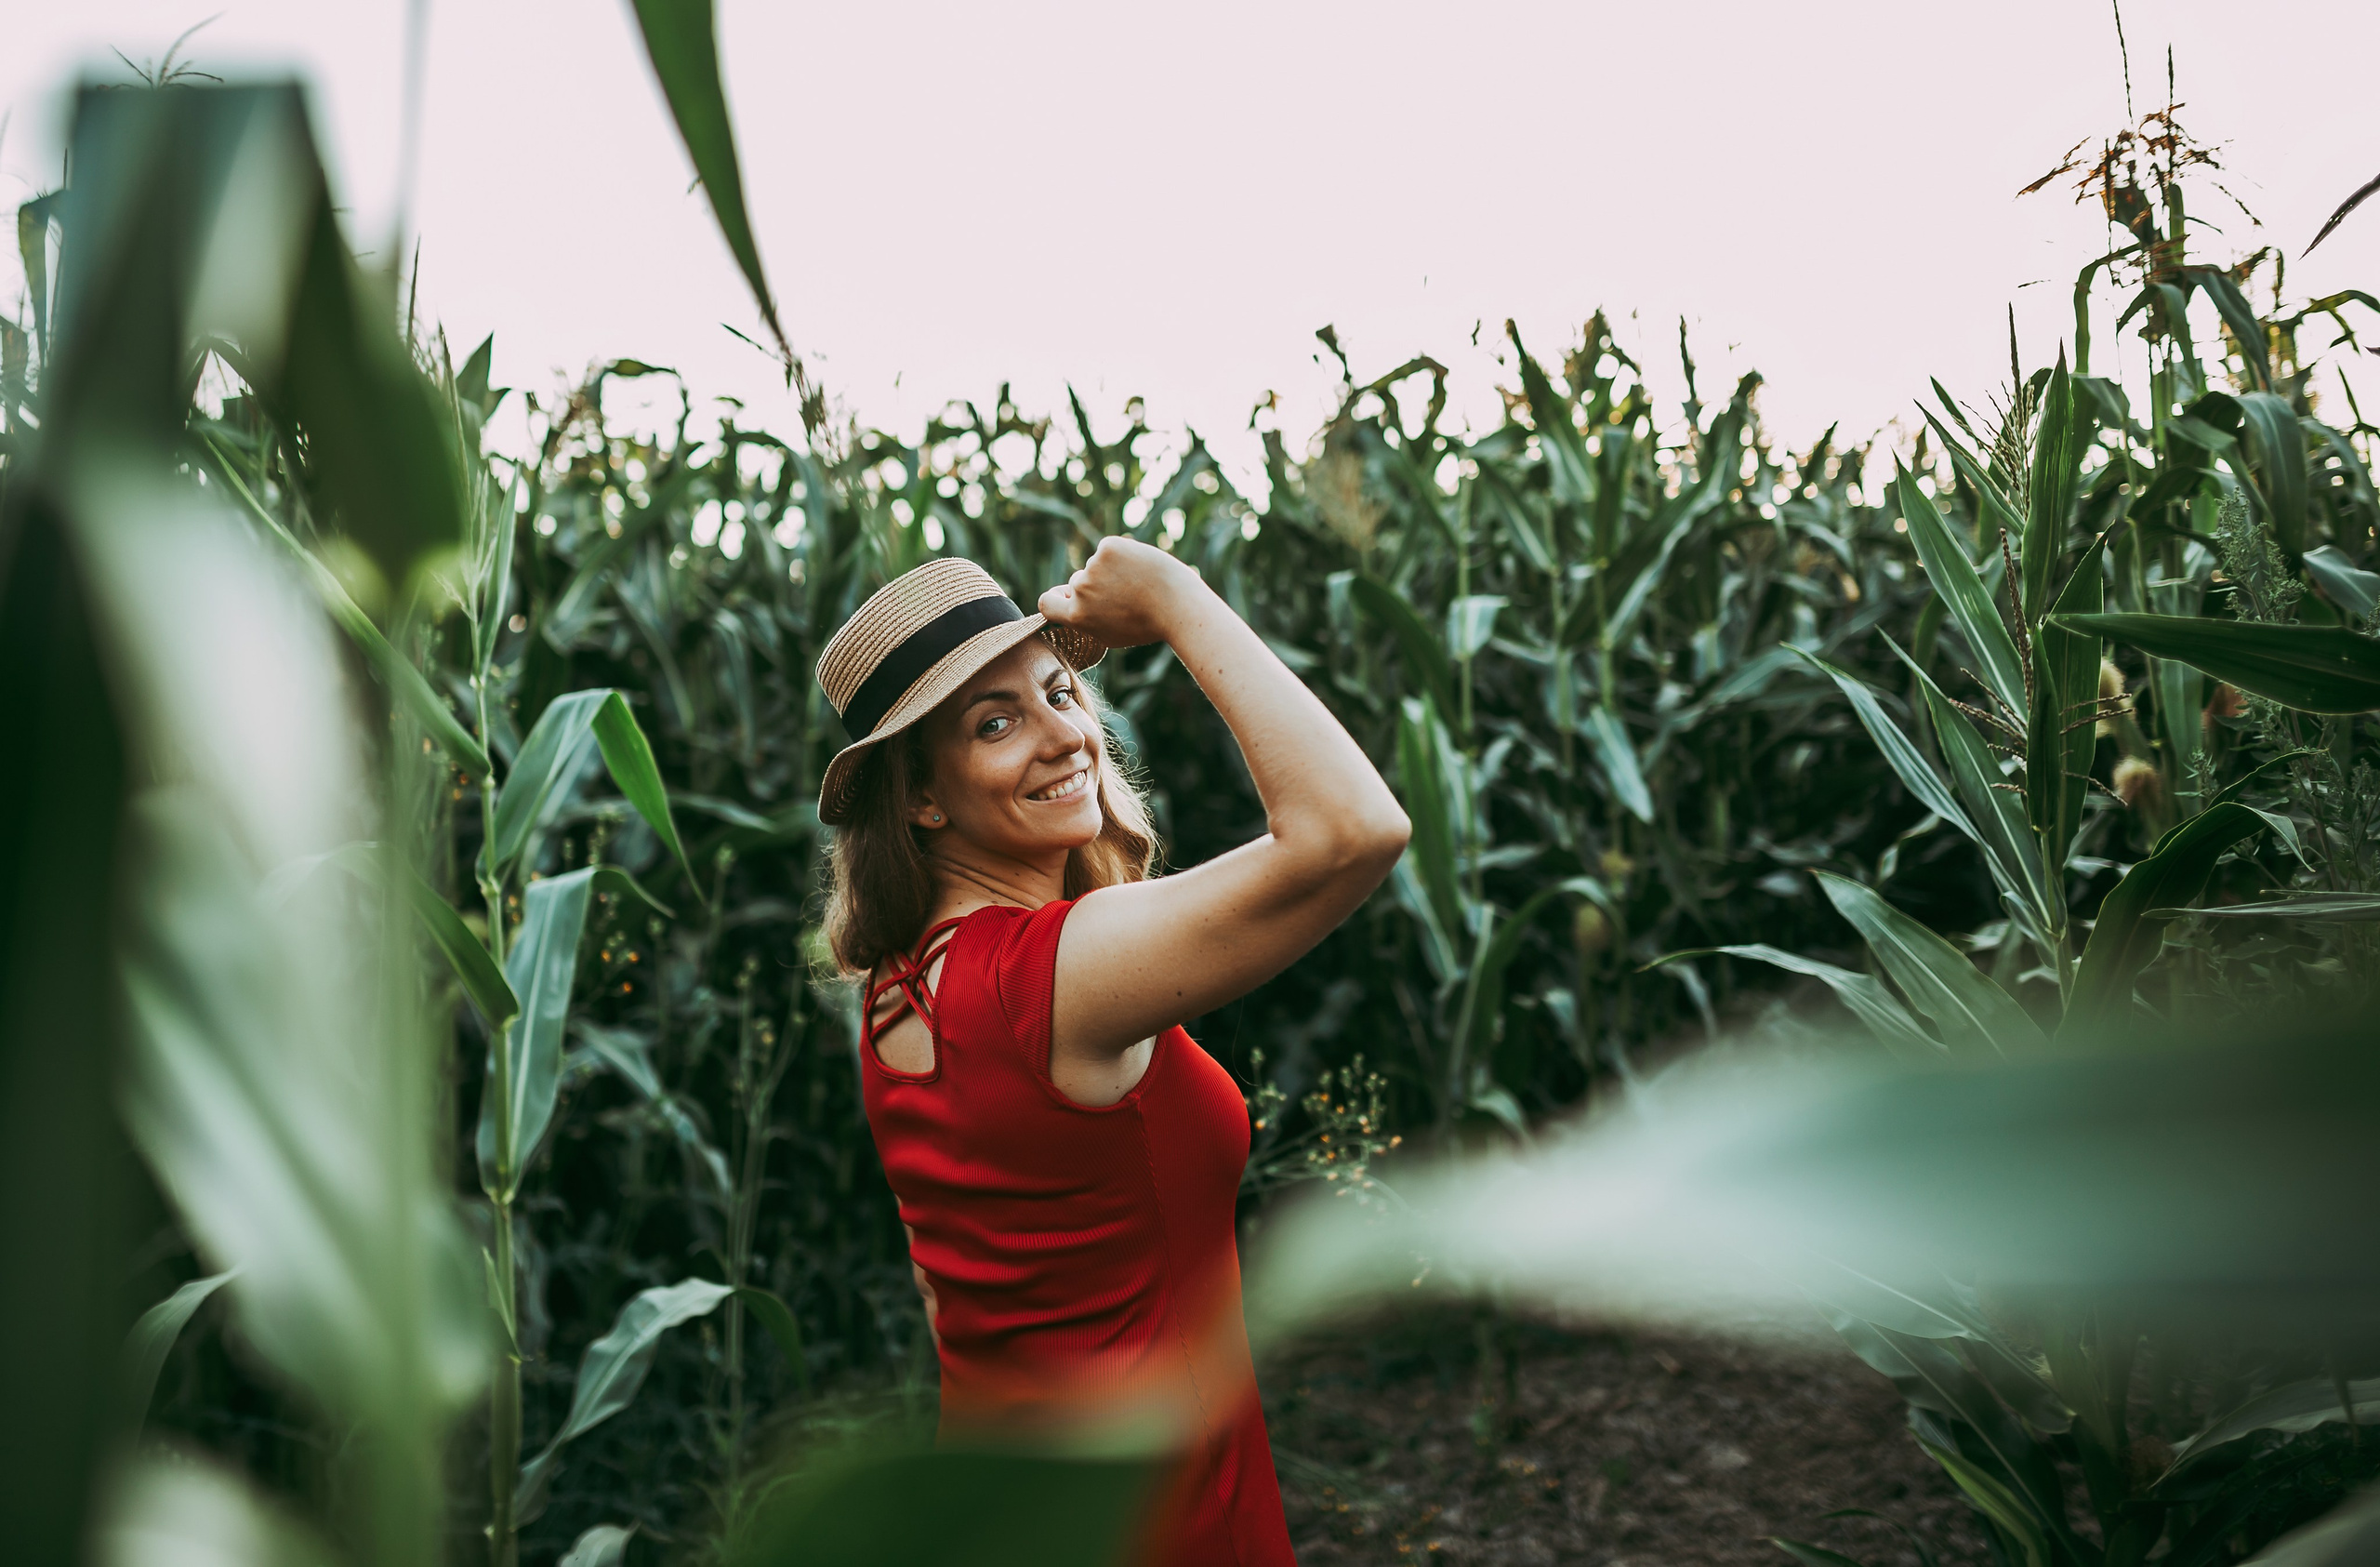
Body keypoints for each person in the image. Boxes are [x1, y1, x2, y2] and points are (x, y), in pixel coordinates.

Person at [813, 537, 1409, 1565]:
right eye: (995, 723)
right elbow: (1350, 829)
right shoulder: (1050, 975)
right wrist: (1178, 596)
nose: (1065, 736)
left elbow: (946, 1283)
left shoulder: (896, 994)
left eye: (1060, 691)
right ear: (919, 795)